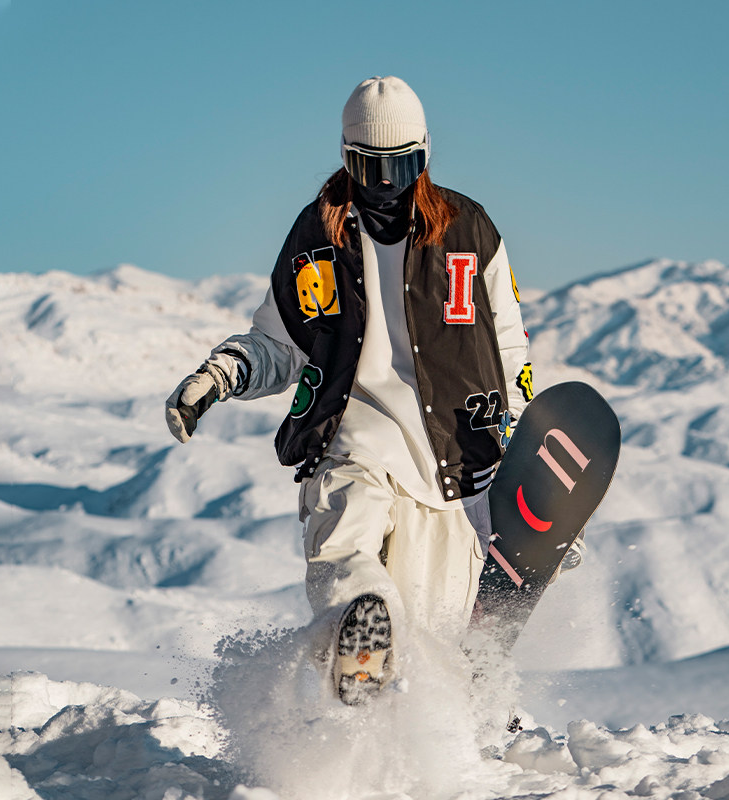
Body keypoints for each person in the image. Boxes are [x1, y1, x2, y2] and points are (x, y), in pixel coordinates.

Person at [166, 76, 532, 705]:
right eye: (372, 168)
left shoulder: (470, 230)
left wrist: (524, 455)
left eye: (404, 165)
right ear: (347, 160)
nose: (388, 183)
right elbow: (279, 343)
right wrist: (220, 375)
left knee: (432, 643)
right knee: (346, 550)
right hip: (350, 440)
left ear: (424, 156)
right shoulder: (317, 239)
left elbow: (510, 349)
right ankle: (356, 622)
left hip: (451, 465)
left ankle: (435, 736)